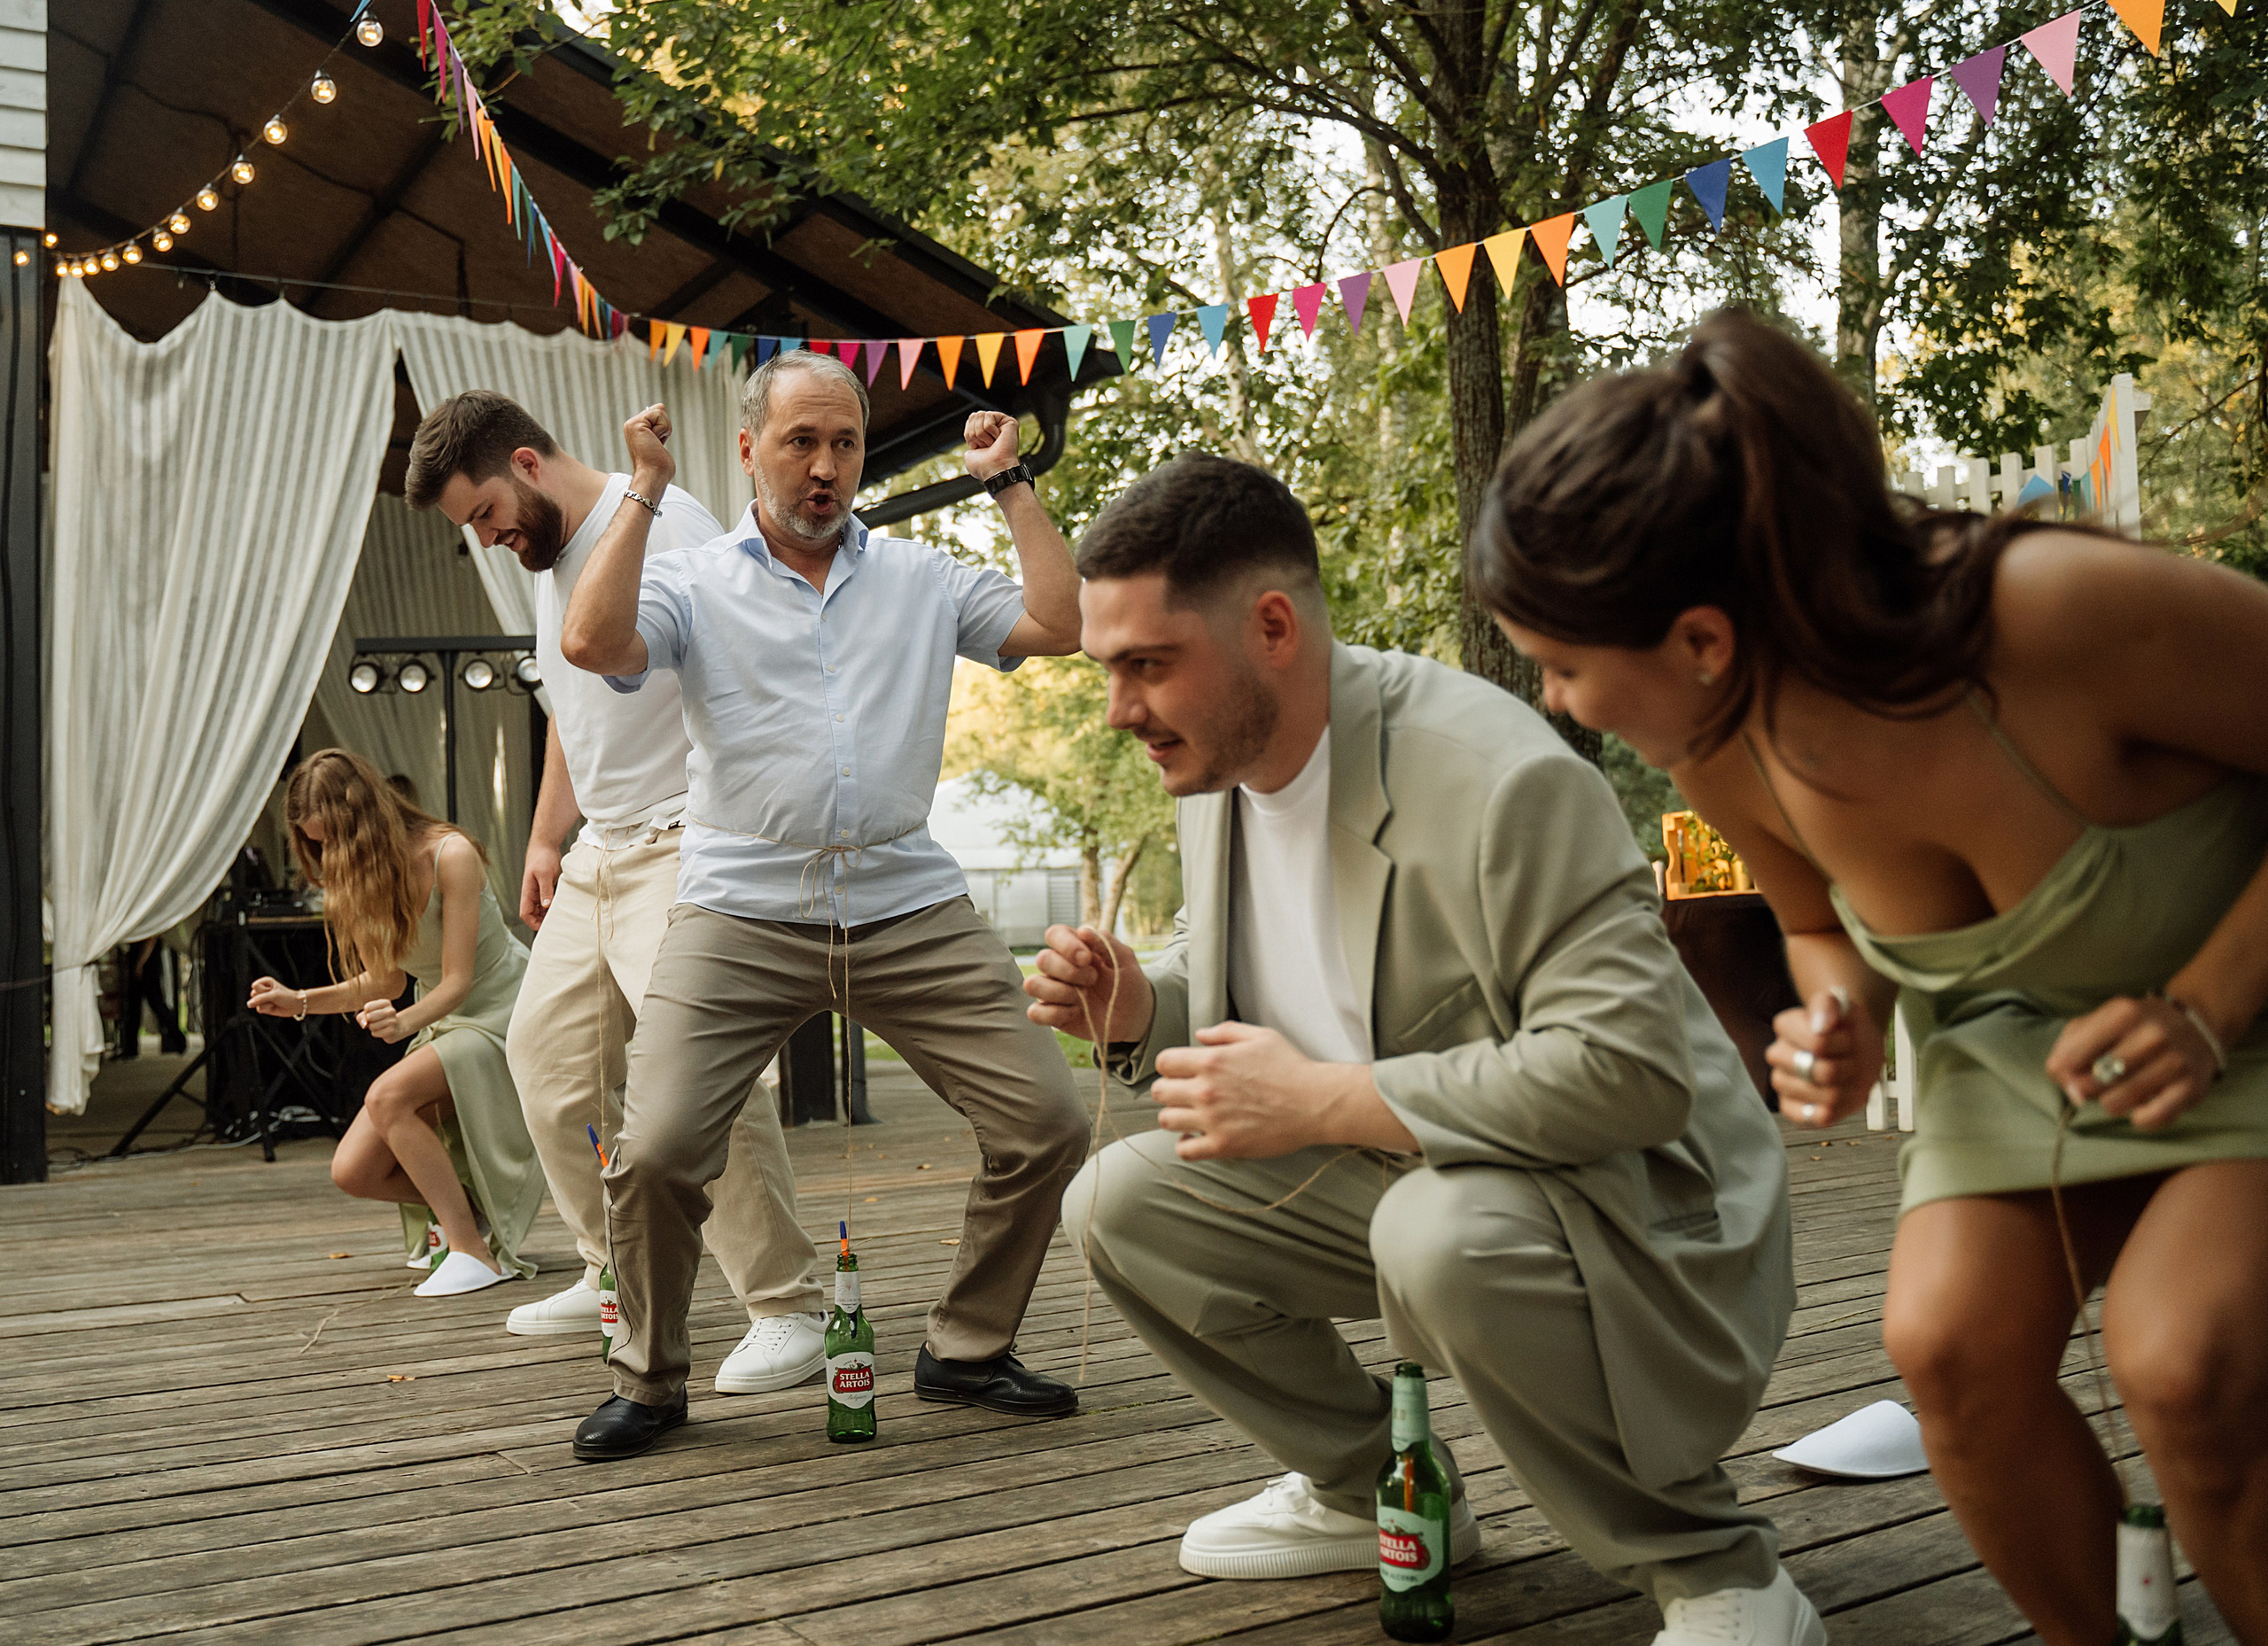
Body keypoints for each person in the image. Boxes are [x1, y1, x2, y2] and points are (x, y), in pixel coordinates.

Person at [1467, 308, 2268, 1644]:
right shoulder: (1715, 736)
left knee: (2180, 1357)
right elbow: (1824, 926)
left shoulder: (2053, 612)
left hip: (2244, 1005)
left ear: (1704, 637)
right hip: (2011, 1048)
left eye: (1560, 666)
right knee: (1947, 1346)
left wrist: (2208, 1004)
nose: (1556, 701)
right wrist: (1837, 1017)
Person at [1028, 453, 1821, 1646]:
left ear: (1274, 627)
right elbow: (1289, 990)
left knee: (1431, 1230)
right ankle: (1377, 1494)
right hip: (1422, 1168)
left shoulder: (1498, 780)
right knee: (1116, 1202)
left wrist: (1329, 1098)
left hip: (1642, 1208)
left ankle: (1719, 1568)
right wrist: (1141, 1005)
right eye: (1109, 667)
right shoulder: (1218, 766)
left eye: (1147, 663)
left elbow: (1633, 1072)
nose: (1119, 707)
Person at [555, 349, 1092, 1462]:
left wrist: (1009, 481)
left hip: (906, 900)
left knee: (1047, 1119)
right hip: (741, 908)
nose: (825, 466)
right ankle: (650, 1382)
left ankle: (967, 1347)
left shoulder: (919, 576)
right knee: (653, 1151)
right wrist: (646, 488)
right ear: (749, 448)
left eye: (843, 442)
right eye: (800, 441)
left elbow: (1058, 623)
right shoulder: (695, 578)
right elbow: (592, 643)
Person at [406, 391, 826, 1393]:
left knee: (693, 1073)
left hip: (687, 836)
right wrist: (549, 834)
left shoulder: (660, 523)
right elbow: (569, 709)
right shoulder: (552, 562)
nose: (486, 535)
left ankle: (787, 1306)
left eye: (482, 513)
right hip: (602, 846)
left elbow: (752, 678)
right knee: (544, 1062)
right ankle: (614, 1276)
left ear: (525, 461)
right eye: (471, 527)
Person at [251, 748, 545, 1297]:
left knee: (387, 1099)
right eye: (316, 842)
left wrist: (405, 1021)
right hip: (447, 1019)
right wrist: (300, 1000)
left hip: (504, 1012)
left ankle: (472, 1251)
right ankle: (470, 1208)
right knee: (353, 1172)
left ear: (363, 817)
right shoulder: (353, 877)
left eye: (333, 837)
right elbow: (382, 983)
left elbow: (457, 980)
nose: (327, 852)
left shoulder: (449, 855)